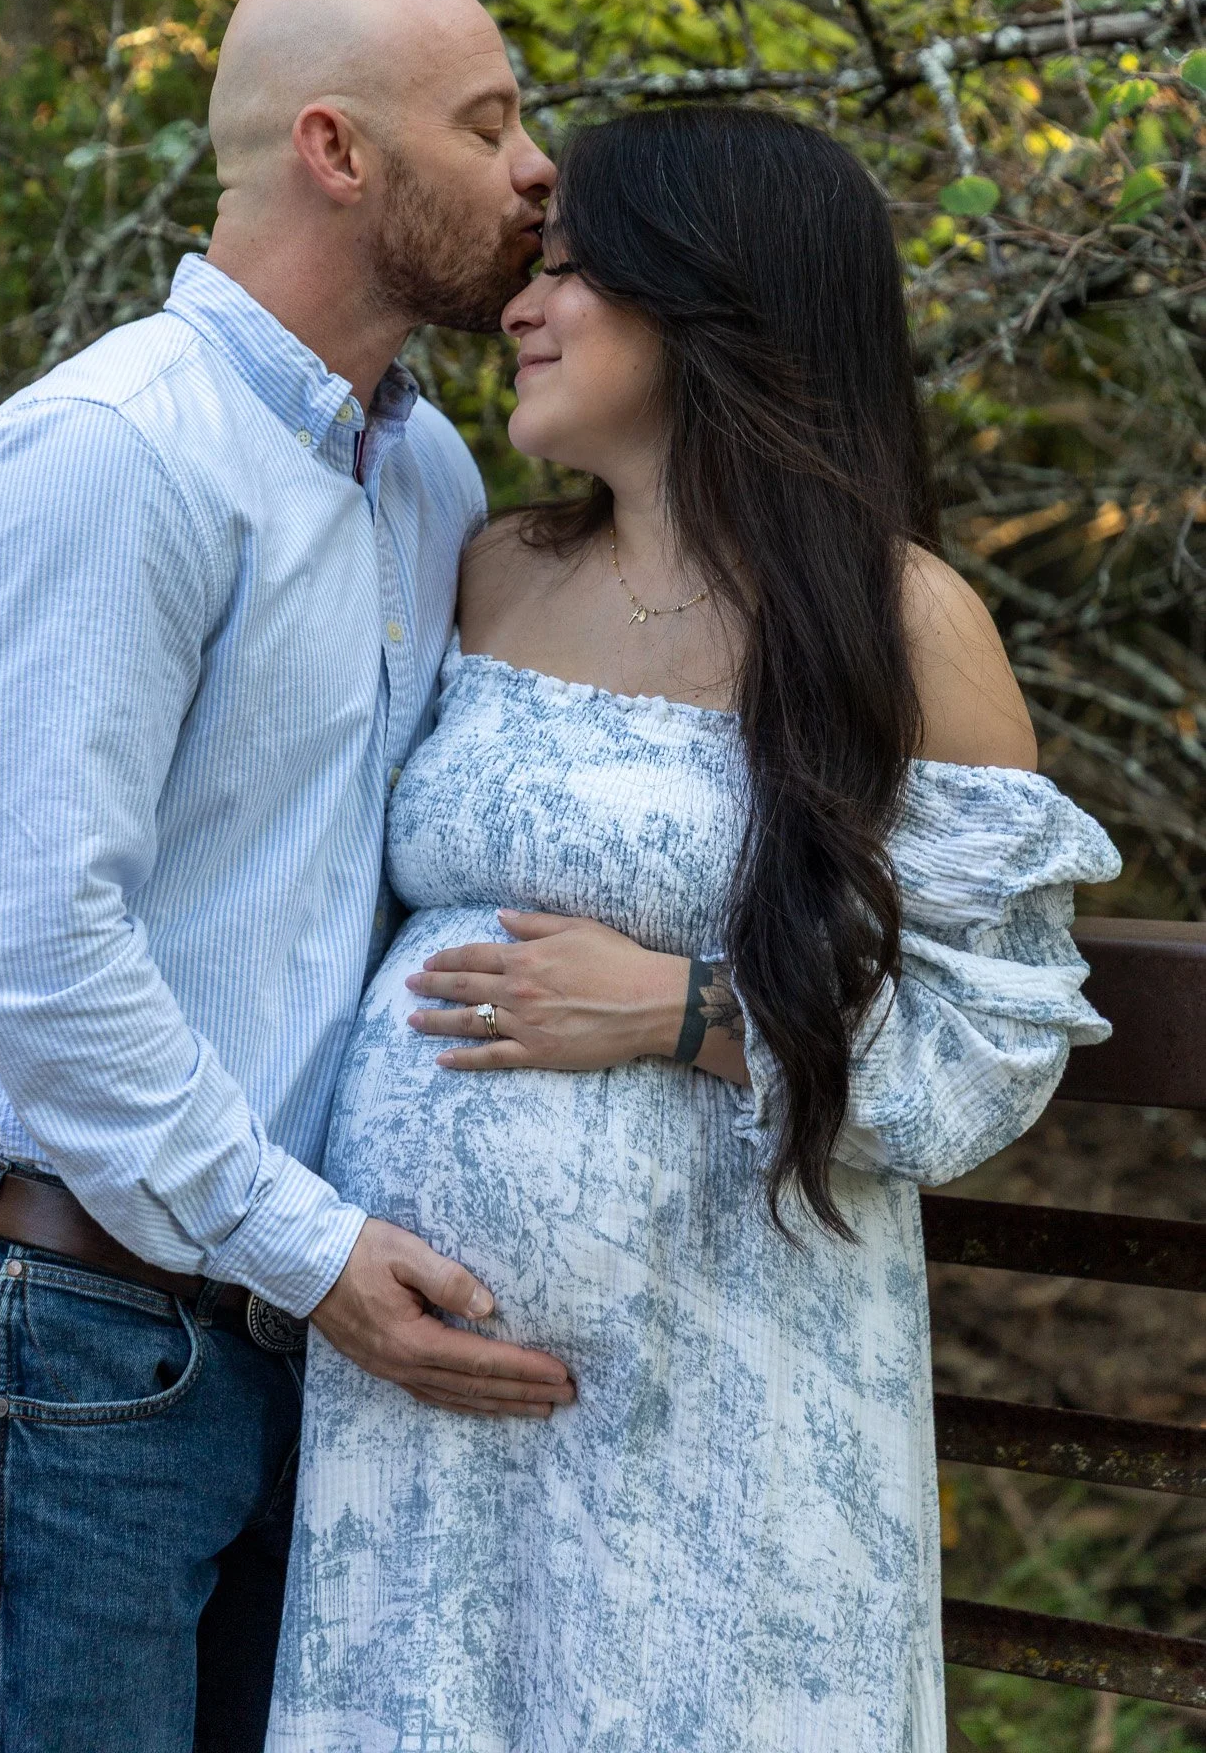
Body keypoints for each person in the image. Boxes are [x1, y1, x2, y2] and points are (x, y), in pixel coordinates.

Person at [268, 106, 1121, 1753]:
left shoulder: (899, 622)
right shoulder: (487, 570)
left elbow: (990, 1041)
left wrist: (681, 1009)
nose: (520, 307)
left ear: (713, 303)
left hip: (728, 1394)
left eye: (572, 271)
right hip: (421, 1396)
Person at [0, 0, 577, 1753]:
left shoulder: (424, 479)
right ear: (337, 149)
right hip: (74, 1325)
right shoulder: (111, 457)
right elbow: (35, 946)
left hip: (288, 1326)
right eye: (487, 123)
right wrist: (315, 1250)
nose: (536, 170)